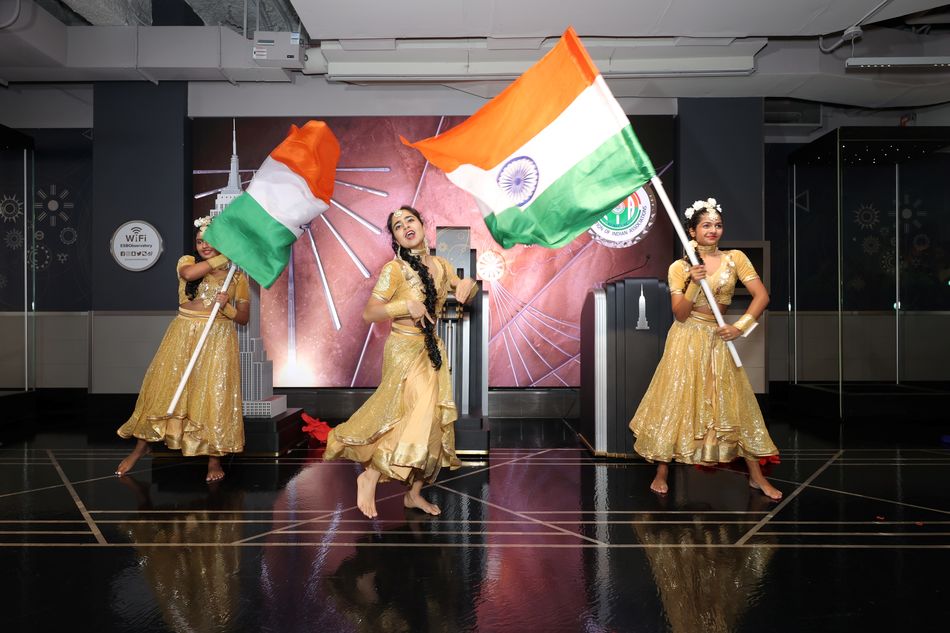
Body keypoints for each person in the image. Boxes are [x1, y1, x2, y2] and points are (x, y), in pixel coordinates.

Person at [324, 205, 476, 518]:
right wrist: (404, 305)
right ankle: (371, 475)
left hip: (430, 349)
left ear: (422, 224)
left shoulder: (440, 265)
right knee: (413, 413)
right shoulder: (395, 270)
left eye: (410, 220)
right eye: (397, 225)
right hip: (403, 350)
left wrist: (468, 286)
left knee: (430, 419)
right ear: (394, 237)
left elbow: (464, 292)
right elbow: (370, 312)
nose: (405, 226)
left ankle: (413, 494)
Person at [629, 197, 782, 500]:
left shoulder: (735, 258)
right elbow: (680, 313)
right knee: (675, 398)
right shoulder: (679, 266)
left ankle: (755, 477)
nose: (713, 230)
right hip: (686, 337)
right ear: (692, 231)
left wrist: (739, 327)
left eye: (718, 225)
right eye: (706, 225)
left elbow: (761, 296)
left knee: (734, 401)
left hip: (718, 337)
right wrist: (693, 283)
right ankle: (662, 470)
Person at [115, 215, 250, 482]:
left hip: (218, 338)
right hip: (183, 334)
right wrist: (226, 257)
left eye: (210, 241)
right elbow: (189, 275)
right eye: (200, 241)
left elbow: (245, 318)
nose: (204, 246)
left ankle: (213, 460)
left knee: (214, 395)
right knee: (165, 391)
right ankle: (140, 448)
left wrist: (228, 306)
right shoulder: (187, 263)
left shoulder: (237, 277)